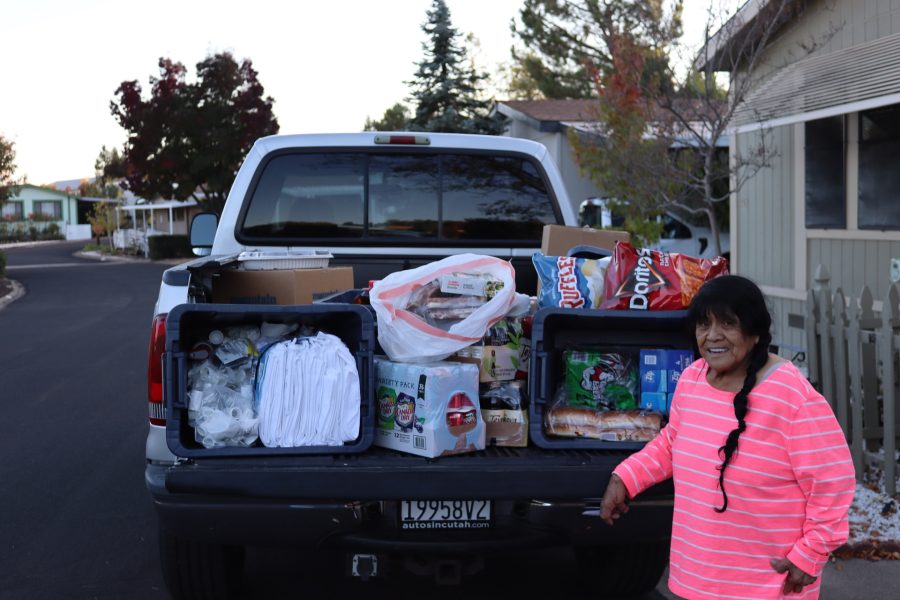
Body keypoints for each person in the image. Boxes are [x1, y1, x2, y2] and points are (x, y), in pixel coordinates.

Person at [601, 275, 855, 599]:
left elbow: (833, 478)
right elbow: (670, 444)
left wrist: (811, 553)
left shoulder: (791, 394)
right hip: (698, 576)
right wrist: (625, 478)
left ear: (754, 332)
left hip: (769, 584)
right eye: (703, 325)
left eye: (727, 324)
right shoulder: (693, 379)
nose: (712, 336)